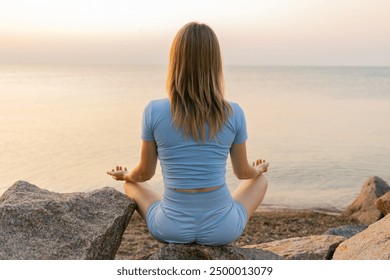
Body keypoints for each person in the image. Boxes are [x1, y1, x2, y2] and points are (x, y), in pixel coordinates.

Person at [107, 22, 269, 246]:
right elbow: (243, 173)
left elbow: (143, 174)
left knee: (132, 184)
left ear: (176, 61)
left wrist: (126, 175)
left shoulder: (154, 110)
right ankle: (218, 210)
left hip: (171, 227)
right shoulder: (234, 112)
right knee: (260, 181)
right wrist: (258, 169)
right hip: (222, 230)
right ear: (215, 63)